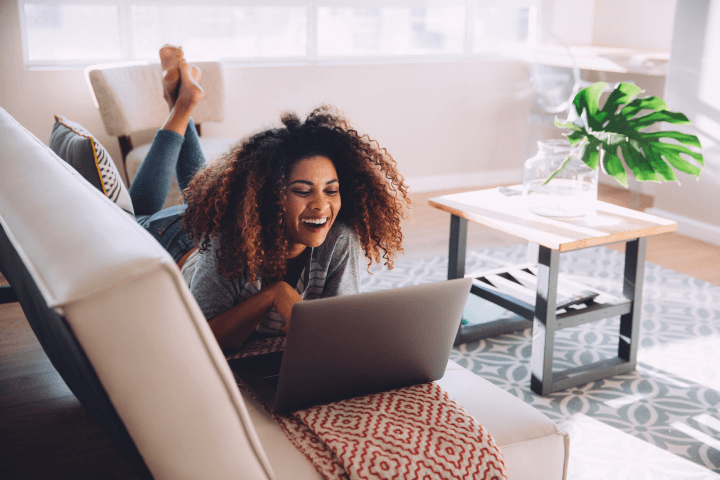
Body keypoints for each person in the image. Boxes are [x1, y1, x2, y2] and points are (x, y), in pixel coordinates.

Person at [129, 46, 410, 352]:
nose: (321, 205)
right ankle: (181, 108)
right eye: (303, 190)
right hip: (177, 241)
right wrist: (274, 294)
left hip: (209, 226)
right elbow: (203, 343)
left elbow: (339, 332)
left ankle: (181, 102)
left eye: (331, 190)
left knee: (199, 194)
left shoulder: (339, 240)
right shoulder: (230, 241)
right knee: (134, 217)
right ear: (271, 196)